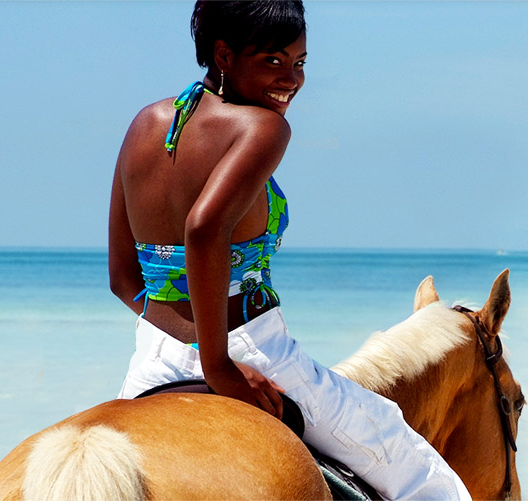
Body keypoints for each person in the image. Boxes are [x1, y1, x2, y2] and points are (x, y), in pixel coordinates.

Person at [105, 3, 468, 498]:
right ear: (223, 55)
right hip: (252, 351)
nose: (291, 79)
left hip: (151, 360)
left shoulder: (145, 125)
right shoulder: (262, 128)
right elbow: (205, 228)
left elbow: (123, 280)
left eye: (299, 63)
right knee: (419, 471)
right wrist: (217, 365)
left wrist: (178, 334)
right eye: (272, 61)